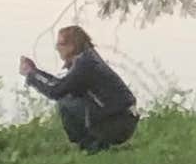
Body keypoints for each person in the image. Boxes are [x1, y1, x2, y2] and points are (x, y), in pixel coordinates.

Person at [20, 24, 140, 152]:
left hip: (118, 124)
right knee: (69, 98)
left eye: (60, 44)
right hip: (124, 119)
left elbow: (56, 91)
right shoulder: (87, 58)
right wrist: (35, 72)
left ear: (71, 46)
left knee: (64, 103)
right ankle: (94, 145)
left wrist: (31, 75)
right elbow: (62, 85)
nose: (56, 48)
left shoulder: (85, 65)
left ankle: (90, 147)